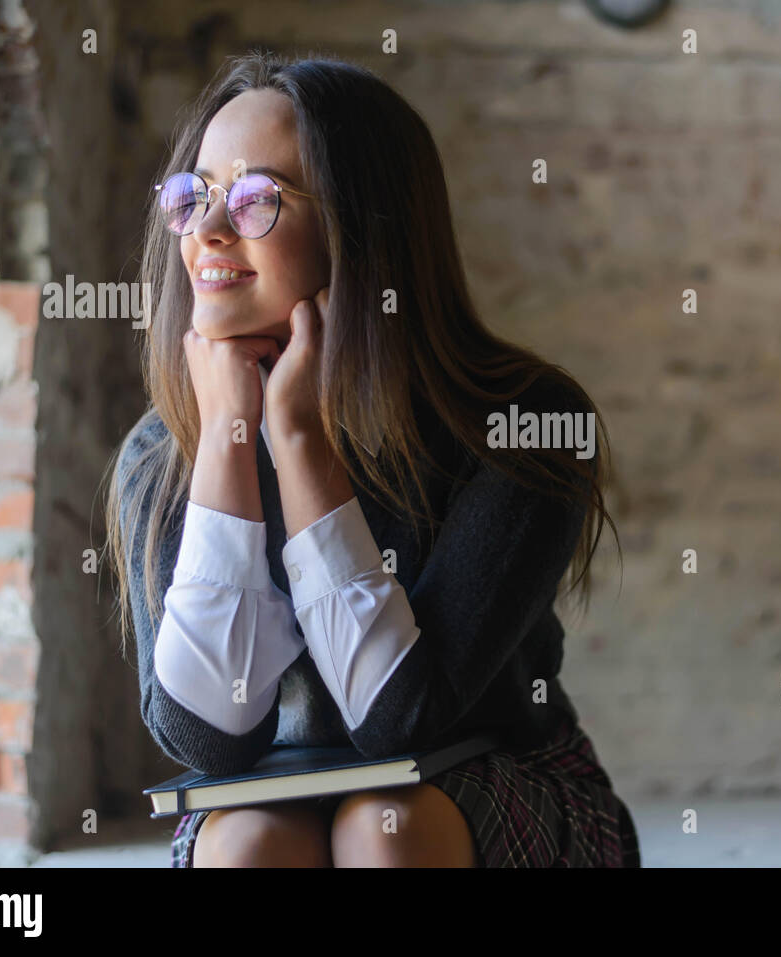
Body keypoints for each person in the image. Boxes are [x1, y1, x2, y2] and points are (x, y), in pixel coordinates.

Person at [103, 51, 640, 867]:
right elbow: (206, 737)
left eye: (254, 200)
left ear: (362, 226)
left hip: (486, 780)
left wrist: (299, 440)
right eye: (195, 196)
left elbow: (403, 723)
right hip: (272, 791)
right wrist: (226, 442)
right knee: (246, 842)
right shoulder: (159, 450)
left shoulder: (527, 421)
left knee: (384, 829)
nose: (208, 232)